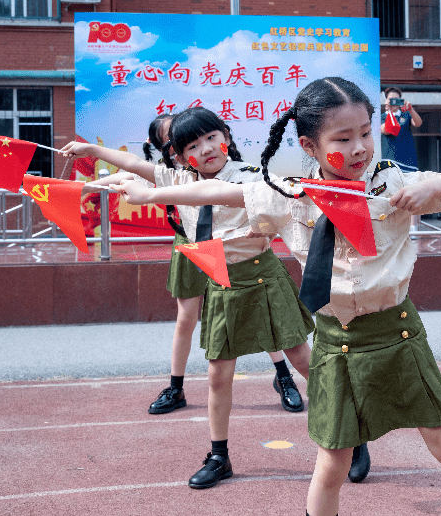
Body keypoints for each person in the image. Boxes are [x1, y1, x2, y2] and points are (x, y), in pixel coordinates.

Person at [112, 77, 441, 516]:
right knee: (332, 461)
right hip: (336, 341)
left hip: (398, 332)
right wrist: (151, 194)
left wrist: (435, 187)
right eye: (343, 138)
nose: (359, 148)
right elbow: (216, 190)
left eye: (365, 133)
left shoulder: (389, 180)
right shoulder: (287, 194)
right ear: (309, 145)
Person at [67, 107, 315, 490]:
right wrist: (93, 151)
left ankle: (349, 434)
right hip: (220, 281)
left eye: (212, 137)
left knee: (302, 359)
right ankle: (219, 456)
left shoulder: (251, 177)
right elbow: (134, 163)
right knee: (218, 376)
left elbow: (213, 194)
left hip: (263, 277)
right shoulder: (178, 177)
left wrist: (152, 191)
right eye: (194, 146)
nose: (207, 149)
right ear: (181, 157)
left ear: (226, 138)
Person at [380, 87, 421, 172]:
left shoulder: (406, 115)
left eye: (396, 99)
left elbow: (418, 123)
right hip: (389, 161)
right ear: (386, 101)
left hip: (408, 161)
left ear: (400, 100)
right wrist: (389, 112)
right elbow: (386, 130)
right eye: (391, 99)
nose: (393, 102)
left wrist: (410, 109)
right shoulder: (382, 117)